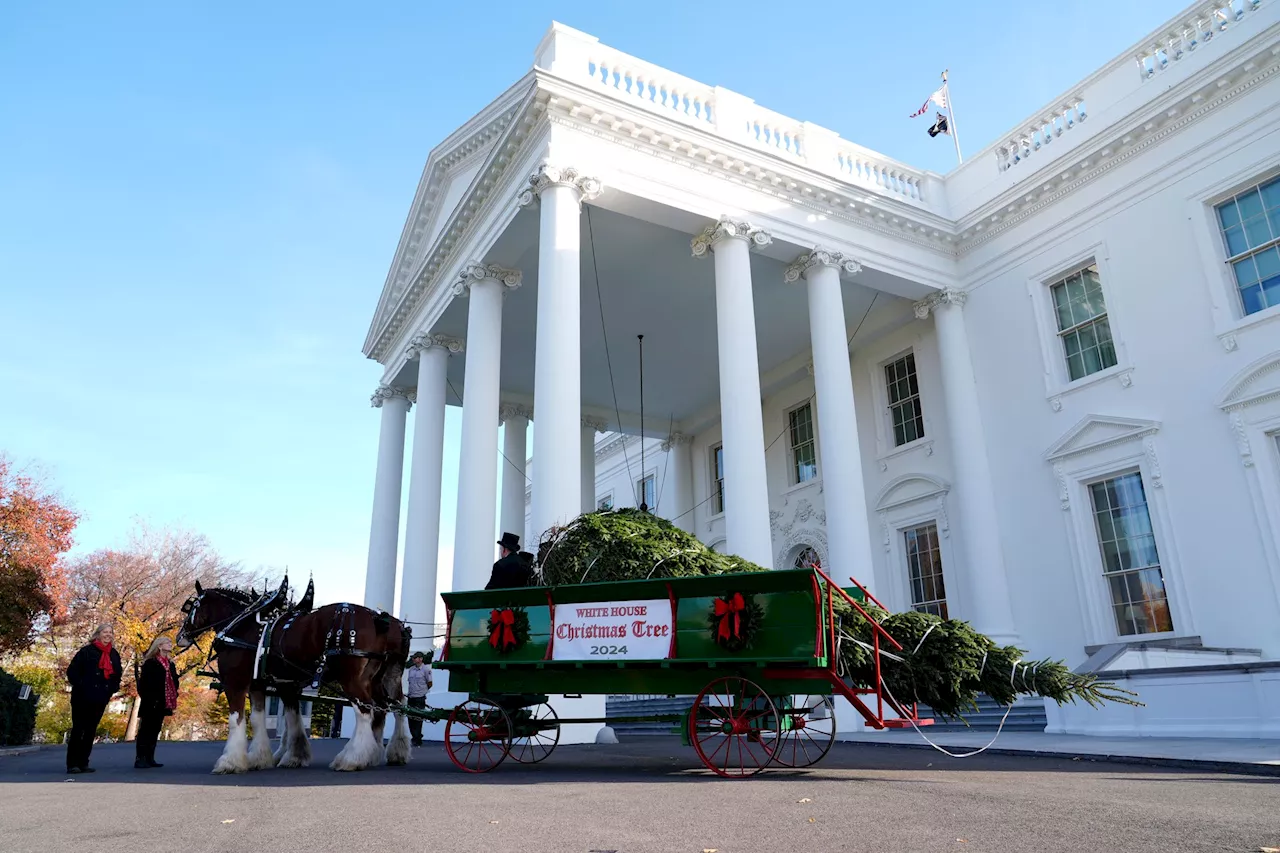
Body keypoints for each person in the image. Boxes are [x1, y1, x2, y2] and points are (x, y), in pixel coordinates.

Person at [65, 623, 123, 774]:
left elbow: (117, 674)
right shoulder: (86, 651)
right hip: (82, 696)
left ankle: (84, 762)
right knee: (79, 729)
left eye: (110, 632)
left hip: (100, 697)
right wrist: (82, 685)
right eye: (105, 632)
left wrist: (111, 689)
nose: (108, 634)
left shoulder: (114, 654)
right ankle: (73, 763)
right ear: (97, 634)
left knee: (91, 730)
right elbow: (72, 671)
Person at [135, 635, 179, 769]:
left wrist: (174, 693)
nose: (170, 644)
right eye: (167, 642)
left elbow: (175, 680)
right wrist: (150, 698)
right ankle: (140, 758)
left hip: (163, 701)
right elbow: (143, 684)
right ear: (159, 646)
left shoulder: (170, 663)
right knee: (146, 729)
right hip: (151, 701)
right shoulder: (150, 663)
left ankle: (150, 757)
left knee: (155, 729)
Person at [404, 651, 433, 747]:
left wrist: (422, 692)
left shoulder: (426, 669)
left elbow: (430, 683)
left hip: (419, 697)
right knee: (410, 719)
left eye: (415, 658)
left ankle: (417, 738)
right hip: (411, 696)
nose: (413, 659)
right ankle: (414, 737)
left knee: (418, 718)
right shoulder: (411, 669)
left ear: (421, 659)